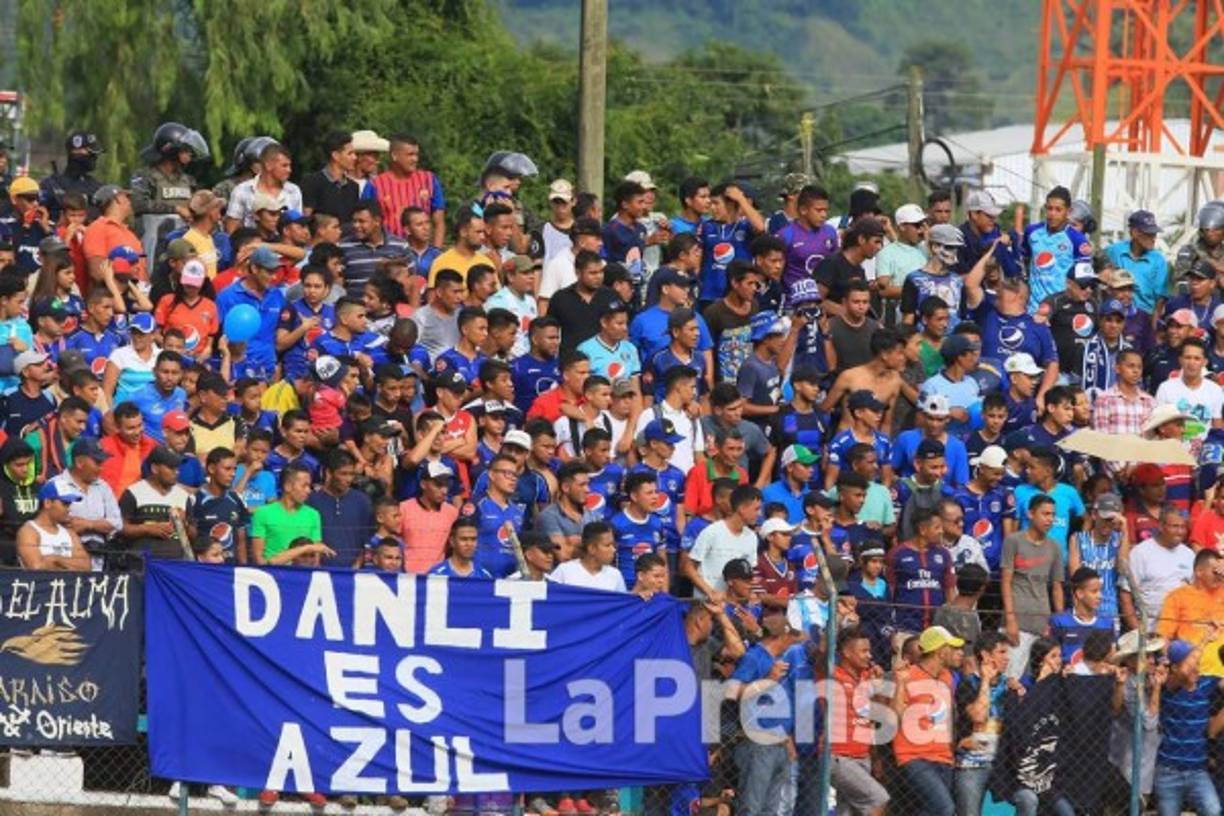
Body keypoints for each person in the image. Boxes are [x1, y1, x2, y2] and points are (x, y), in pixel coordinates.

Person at [726, 614, 800, 816]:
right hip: (758, 743)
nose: (792, 641)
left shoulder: (775, 659)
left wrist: (787, 739)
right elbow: (731, 691)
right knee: (752, 807)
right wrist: (768, 679)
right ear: (780, 636)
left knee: (770, 810)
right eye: (789, 636)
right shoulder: (755, 657)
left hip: (779, 743)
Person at [892, 625, 962, 816]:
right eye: (952, 648)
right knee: (945, 808)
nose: (958, 652)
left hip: (943, 756)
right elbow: (896, 716)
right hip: (915, 756)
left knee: (931, 811)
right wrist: (900, 684)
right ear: (940, 652)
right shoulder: (909, 675)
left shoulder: (947, 677)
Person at [1153, 640, 1224, 816]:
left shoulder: (1206, 684)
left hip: (1197, 772)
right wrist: (1206, 638)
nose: (1196, 669)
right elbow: (1185, 671)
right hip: (1168, 771)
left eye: (1197, 664)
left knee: (1214, 811)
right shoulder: (1169, 688)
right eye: (1191, 663)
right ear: (1174, 668)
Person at [1001, 495, 1065, 677]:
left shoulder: (1055, 547)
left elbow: (1057, 586)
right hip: (1017, 621)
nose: (1050, 519)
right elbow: (1006, 581)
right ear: (1030, 513)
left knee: (1038, 679)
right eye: (1045, 514)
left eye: (1053, 515)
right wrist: (1010, 620)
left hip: (1042, 623)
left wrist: (1058, 622)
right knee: (1011, 677)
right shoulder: (1013, 541)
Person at [953, 632, 1011, 816]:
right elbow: (979, 716)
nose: (1007, 658)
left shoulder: (1009, 686)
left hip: (1001, 764)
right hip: (972, 764)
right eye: (1001, 652)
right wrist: (985, 680)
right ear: (986, 655)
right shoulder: (968, 684)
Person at [49, 438, 121, 571]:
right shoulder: (56, 485)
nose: (101, 467)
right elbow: (46, 524)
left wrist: (88, 524)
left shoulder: (103, 486)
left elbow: (117, 523)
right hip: (64, 560)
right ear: (79, 462)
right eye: (97, 462)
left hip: (99, 561)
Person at [1123, 507, 1195, 632]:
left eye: (1183, 527)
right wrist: (1139, 632)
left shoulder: (1189, 555)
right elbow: (1125, 594)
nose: (1180, 531)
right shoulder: (1140, 553)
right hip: (1149, 631)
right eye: (1175, 526)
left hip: (1183, 632)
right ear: (1161, 526)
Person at [118, 445, 192, 561]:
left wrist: (184, 523)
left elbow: (193, 535)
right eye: (171, 468)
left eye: (177, 468)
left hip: (176, 564)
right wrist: (147, 529)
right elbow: (120, 528)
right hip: (142, 563)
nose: (176, 472)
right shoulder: (134, 492)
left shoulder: (183, 496)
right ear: (154, 469)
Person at [250, 463, 321, 564]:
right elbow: (258, 557)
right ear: (287, 486)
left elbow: (316, 557)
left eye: (309, 486)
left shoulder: (313, 515)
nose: (308, 491)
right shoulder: (263, 513)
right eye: (304, 486)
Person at [15, 480, 89, 571]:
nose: (69, 509)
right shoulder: (29, 531)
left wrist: (56, 559)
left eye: (69, 504)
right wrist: (70, 563)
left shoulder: (70, 533)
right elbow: (36, 567)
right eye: (65, 504)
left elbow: (86, 566)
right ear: (47, 503)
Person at [549, 521, 625, 592]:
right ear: (591, 548)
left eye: (613, 545)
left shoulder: (615, 575)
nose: (613, 549)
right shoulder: (564, 571)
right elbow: (548, 595)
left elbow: (623, 603)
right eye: (607, 545)